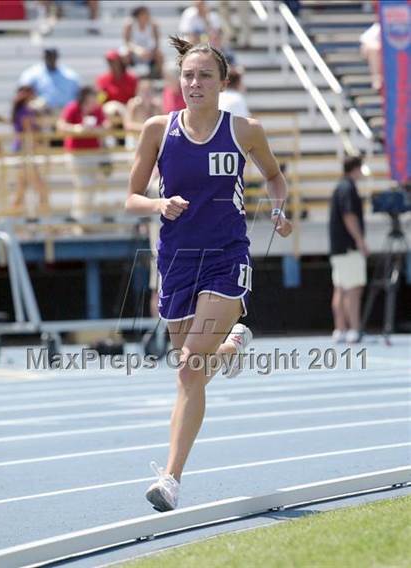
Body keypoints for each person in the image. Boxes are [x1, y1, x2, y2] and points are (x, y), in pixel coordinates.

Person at [125, 35, 292, 512]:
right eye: (187, 76)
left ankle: (171, 478)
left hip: (226, 255)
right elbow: (130, 196)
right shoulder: (158, 129)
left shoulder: (245, 130)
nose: (194, 83)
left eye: (204, 76)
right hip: (177, 258)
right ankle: (232, 347)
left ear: (222, 82)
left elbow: (274, 177)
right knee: (192, 370)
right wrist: (159, 203)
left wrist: (278, 210)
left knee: (187, 369)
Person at [124, 80, 163, 318]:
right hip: (159, 236)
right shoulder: (134, 107)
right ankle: (158, 333)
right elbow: (134, 199)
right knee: (157, 282)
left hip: (173, 239)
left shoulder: (157, 110)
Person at [329, 156, 368, 344]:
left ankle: (340, 329)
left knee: (341, 288)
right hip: (347, 247)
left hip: (338, 247)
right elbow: (349, 215)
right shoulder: (348, 188)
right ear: (356, 168)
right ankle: (353, 328)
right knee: (353, 289)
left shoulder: (340, 186)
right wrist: (360, 240)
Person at [57, 86, 109, 220]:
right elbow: (61, 125)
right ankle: (80, 217)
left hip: (93, 154)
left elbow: (106, 125)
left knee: (91, 185)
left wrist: (97, 130)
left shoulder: (97, 109)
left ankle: (84, 216)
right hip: (76, 154)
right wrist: (77, 129)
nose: (94, 101)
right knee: (84, 185)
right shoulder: (73, 107)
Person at [11, 86, 49, 211]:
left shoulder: (21, 110)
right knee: (40, 187)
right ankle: (46, 219)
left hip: (22, 150)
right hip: (25, 150)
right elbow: (29, 131)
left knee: (22, 187)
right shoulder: (25, 111)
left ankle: (12, 216)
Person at [18, 48, 80, 113]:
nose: (50, 59)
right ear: (43, 57)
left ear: (57, 57)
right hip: (39, 115)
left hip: (64, 114)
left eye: (52, 56)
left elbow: (78, 97)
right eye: (48, 56)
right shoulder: (31, 74)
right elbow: (22, 95)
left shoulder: (70, 75)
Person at [122, 6, 164, 79]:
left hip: (149, 51)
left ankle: (157, 77)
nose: (147, 15)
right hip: (133, 51)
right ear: (137, 15)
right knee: (124, 54)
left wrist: (151, 51)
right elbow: (127, 42)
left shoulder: (153, 25)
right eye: (144, 14)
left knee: (160, 55)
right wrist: (137, 50)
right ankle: (125, 77)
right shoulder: (129, 25)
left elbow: (157, 42)